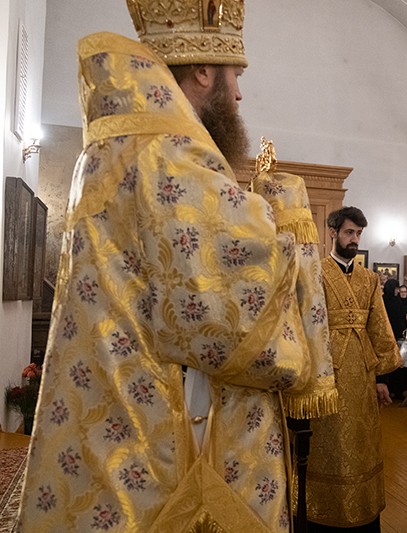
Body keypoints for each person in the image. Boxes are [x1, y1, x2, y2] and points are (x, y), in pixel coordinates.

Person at [16, 3, 338, 531]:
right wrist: (284, 220)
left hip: (110, 418)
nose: (239, 95)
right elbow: (223, 319)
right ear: (204, 71)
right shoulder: (169, 154)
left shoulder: (110, 148)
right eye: (235, 77)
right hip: (166, 433)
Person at [310, 206, 402, 531]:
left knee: (362, 444)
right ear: (333, 233)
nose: (355, 239)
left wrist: (382, 377)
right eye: (349, 232)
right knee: (330, 445)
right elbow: (309, 325)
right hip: (327, 373)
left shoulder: (369, 278)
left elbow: (379, 326)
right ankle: (325, 513)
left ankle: (363, 511)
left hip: (362, 375)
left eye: (359, 234)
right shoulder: (315, 272)